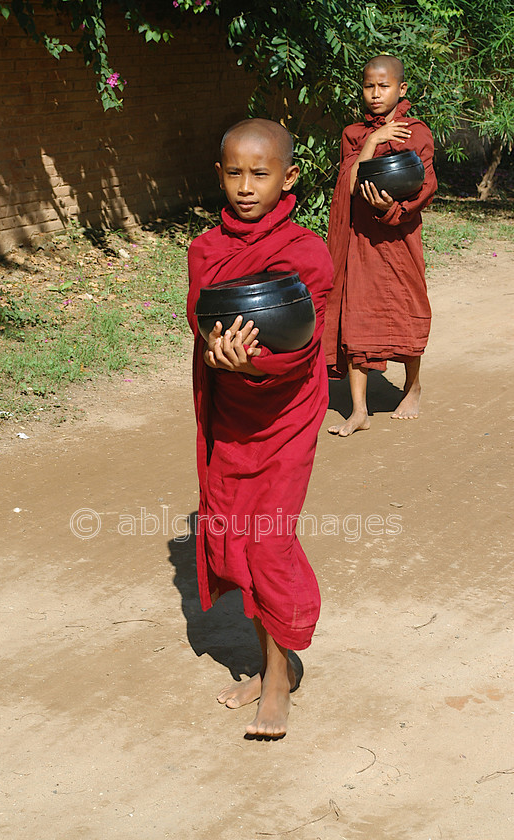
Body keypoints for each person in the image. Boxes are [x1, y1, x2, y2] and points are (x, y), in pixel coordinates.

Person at [186, 118, 334, 737]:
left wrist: (258, 363)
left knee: (269, 543)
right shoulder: (206, 250)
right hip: (230, 416)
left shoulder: (306, 252)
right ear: (220, 174)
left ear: (288, 177)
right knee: (234, 542)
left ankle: (278, 676)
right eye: (235, 173)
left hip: (287, 414)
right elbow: (204, 319)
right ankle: (271, 662)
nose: (246, 187)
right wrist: (218, 353)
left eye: (261, 173)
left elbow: (304, 344)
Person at [323, 54, 438, 436]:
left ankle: (413, 385)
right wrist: (373, 140)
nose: (375, 94)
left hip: (400, 237)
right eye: (369, 86)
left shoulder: (416, 132)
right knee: (355, 316)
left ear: (401, 89)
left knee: (407, 309)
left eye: (383, 86)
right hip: (362, 240)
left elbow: (427, 185)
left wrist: (397, 208)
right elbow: (351, 184)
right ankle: (359, 410)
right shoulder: (354, 134)